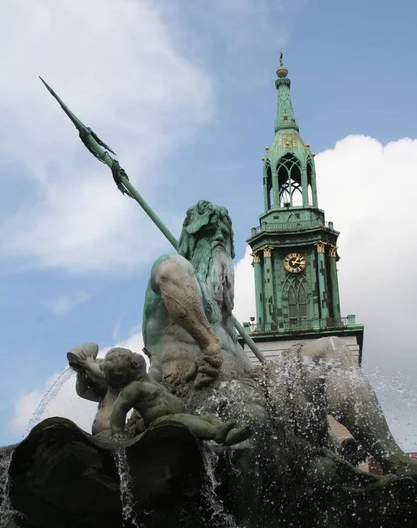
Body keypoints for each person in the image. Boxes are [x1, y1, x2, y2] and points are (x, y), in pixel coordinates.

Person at [142, 200, 417, 476]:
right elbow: (169, 275)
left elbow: (254, 377)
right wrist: (208, 342)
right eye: (211, 237)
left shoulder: (226, 325)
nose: (219, 245)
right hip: (195, 396)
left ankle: (394, 462)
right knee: (254, 420)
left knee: (329, 350)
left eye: (224, 241)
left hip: (246, 389)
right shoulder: (176, 269)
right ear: (192, 243)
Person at [102, 347, 251, 446]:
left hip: (178, 415)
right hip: (162, 422)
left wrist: (152, 355)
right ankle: (216, 433)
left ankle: (227, 435)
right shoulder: (133, 388)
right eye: (134, 355)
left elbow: (156, 367)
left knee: (205, 418)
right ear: (135, 364)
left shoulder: (151, 379)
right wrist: (117, 433)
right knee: (187, 420)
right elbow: (119, 408)